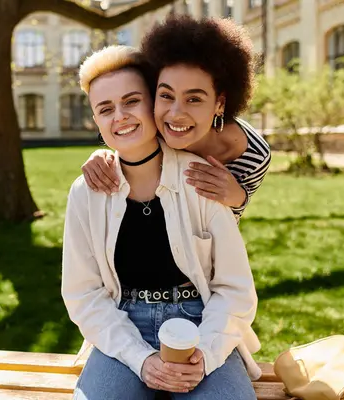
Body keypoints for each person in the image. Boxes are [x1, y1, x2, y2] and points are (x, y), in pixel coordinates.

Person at [62, 45, 260, 400]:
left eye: (132, 101)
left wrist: (207, 355)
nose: (120, 116)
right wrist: (140, 359)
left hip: (202, 322)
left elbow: (235, 289)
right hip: (122, 327)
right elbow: (83, 294)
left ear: (153, 103)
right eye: (105, 109)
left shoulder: (201, 179)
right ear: (96, 121)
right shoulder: (85, 193)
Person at [81, 15, 271, 220]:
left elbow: (226, 226)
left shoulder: (254, 157)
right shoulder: (155, 124)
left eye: (194, 99)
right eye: (166, 95)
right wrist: (106, 156)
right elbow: (127, 139)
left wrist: (239, 198)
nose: (175, 113)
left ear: (220, 104)